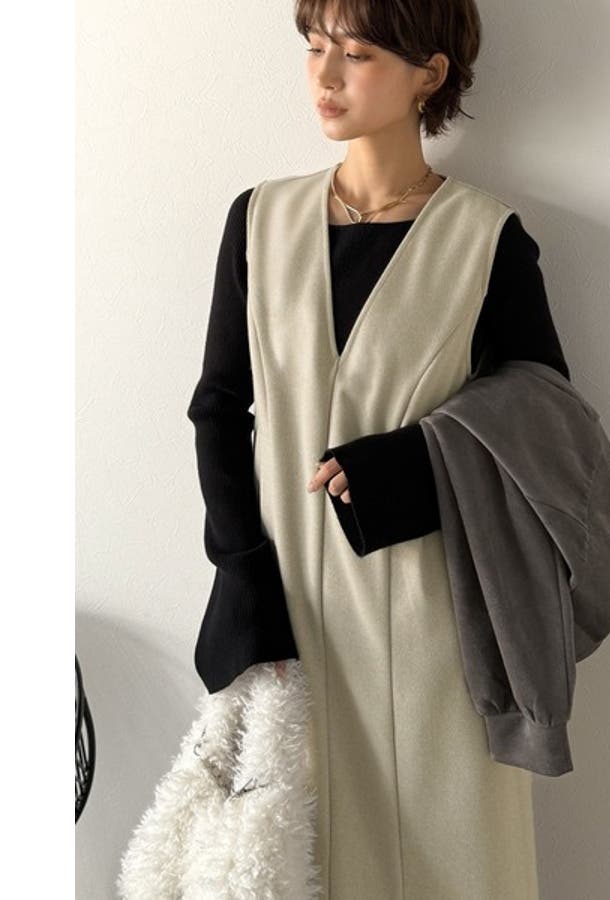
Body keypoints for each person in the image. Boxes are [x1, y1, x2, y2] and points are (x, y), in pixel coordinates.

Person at [187, 1, 571, 897]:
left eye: (356, 54)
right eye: (315, 46)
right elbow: (218, 409)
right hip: (286, 622)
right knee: (291, 859)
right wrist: (243, 574)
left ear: (429, 74)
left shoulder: (485, 238)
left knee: (449, 862)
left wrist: (412, 467)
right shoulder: (260, 221)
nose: (324, 76)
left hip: (433, 626)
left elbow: (547, 426)